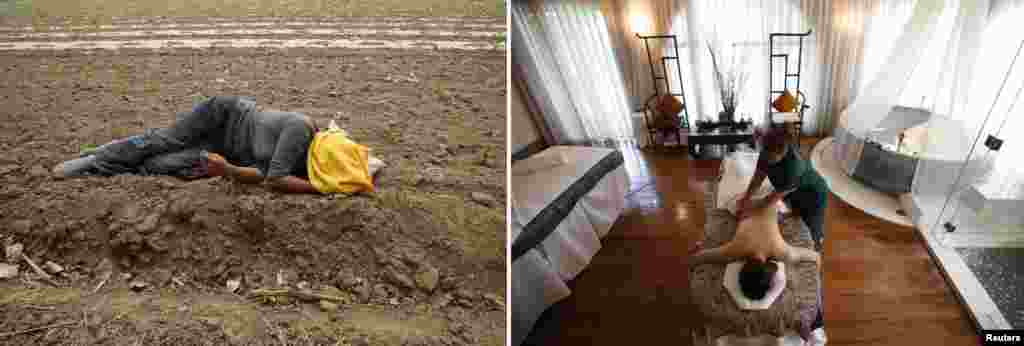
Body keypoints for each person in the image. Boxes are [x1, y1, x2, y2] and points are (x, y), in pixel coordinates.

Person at [52, 96, 384, 194]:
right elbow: (274, 180)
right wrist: (321, 189)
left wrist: (226, 170)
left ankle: (117, 154)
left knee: (160, 166)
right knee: (166, 139)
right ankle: (99, 159)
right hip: (223, 117)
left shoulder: (305, 163)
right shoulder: (301, 131)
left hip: (227, 150)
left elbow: (258, 173)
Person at [688, 196, 823, 344]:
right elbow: (816, 258)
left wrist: (697, 253)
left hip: (765, 202)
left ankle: (809, 328)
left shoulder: (778, 250)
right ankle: (809, 329)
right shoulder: (737, 250)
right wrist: (695, 255)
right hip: (752, 204)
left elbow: (700, 258)